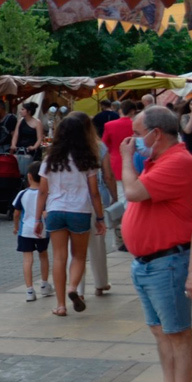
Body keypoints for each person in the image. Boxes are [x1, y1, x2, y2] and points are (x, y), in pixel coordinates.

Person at [120, 106, 192, 382]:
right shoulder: (160, 160)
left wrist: (124, 160)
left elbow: (134, 191)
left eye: (137, 135)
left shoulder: (180, 161)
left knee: (177, 333)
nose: (133, 141)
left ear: (156, 134)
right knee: (160, 331)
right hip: (149, 264)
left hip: (168, 263)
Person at [33, 114, 106, 317]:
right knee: (79, 256)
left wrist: (37, 218)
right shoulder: (87, 160)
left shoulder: (50, 159)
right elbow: (94, 192)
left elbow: (42, 192)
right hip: (79, 211)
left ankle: (61, 305)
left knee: (58, 257)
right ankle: (73, 288)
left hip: (55, 211)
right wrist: (100, 218)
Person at [78, 111, 116, 297]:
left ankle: (78, 288)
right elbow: (108, 175)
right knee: (97, 243)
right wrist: (115, 196)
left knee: (75, 249)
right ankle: (100, 283)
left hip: (73, 202)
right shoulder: (99, 146)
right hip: (95, 198)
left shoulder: (64, 149)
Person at [102, 100, 141, 251]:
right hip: (136, 163)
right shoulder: (137, 124)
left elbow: (105, 145)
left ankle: (123, 237)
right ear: (132, 111)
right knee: (134, 201)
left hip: (116, 164)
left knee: (122, 200)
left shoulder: (110, 125)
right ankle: (129, 235)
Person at [12, 168, 52, 302]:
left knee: (27, 259)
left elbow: (16, 213)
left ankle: (29, 290)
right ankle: (45, 285)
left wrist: (16, 226)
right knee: (44, 255)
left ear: (29, 176)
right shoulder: (46, 194)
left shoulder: (22, 194)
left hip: (25, 231)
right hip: (42, 230)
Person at [11, 101, 44, 177]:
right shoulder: (20, 121)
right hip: (20, 149)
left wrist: (34, 147)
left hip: (31, 151)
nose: (20, 111)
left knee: (31, 172)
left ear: (28, 111)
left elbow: (40, 138)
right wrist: (13, 145)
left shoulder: (37, 122)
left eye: (22, 109)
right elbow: (15, 135)